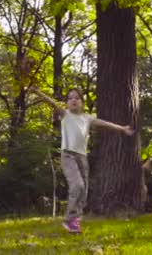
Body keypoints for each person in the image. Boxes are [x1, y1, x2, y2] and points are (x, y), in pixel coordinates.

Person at [32, 87, 135, 233]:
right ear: (67, 103)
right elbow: (51, 102)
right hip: (68, 155)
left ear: (82, 102)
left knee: (84, 190)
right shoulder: (65, 114)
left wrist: (122, 129)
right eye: (70, 98)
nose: (73, 100)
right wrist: (37, 91)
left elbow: (105, 124)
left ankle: (75, 219)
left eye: (77, 98)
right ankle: (69, 219)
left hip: (82, 157)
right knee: (77, 185)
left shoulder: (87, 118)